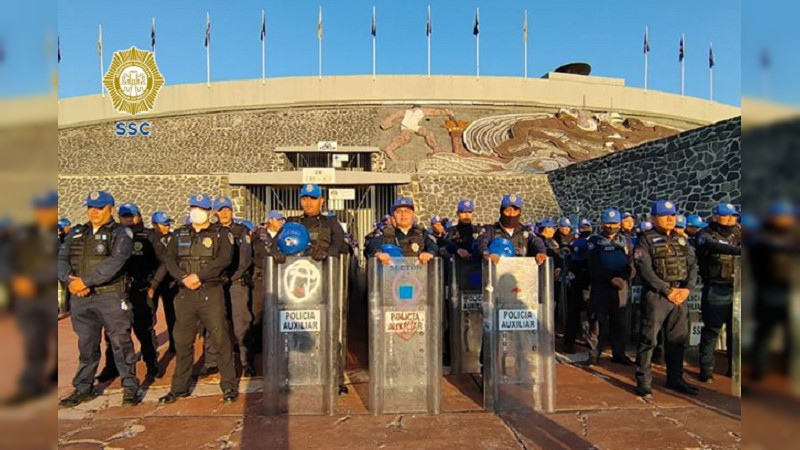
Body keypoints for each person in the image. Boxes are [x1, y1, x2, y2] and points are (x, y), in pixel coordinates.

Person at [58, 191, 142, 408]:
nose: (94, 211)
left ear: (110, 209)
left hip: (110, 296)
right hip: (82, 299)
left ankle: (130, 387)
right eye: (90, 207)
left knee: (120, 343)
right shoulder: (77, 232)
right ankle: (83, 387)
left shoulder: (121, 233)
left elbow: (116, 262)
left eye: (99, 207)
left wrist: (85, 281)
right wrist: (70, 281)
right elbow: (60, 258)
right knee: (86, 344)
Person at [158, 194, 238, 405]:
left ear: (210, 212)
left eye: (201, 207)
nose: (196, 210)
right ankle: (179, 388)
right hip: (185, 293)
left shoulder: (222, 234)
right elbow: (169, 259)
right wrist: (183, 277)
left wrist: (198, 276)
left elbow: (224, 260)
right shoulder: (179, 234)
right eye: (193, 206)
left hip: (210, 291)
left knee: (220, 340)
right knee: (182, 342)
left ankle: (229, 387)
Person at [634, 200, 700, 398]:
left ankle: (675, 378)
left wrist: (687, 289)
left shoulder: (682, 240)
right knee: (649, 338)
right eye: (664, 215)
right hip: (657, 295)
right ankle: (644, 381)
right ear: (654, 218)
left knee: (677, 340)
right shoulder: (645, 240)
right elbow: (644, 268)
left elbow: (693, 266)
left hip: (680, 296)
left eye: (672, 215)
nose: (670, 219)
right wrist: (666, 290)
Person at [96, 203, 160, 383]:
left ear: (139, 216)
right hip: (117, 292)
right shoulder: (113, 236)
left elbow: (162, 262)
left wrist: (153, 285)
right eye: (124, 216)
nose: (129, 219)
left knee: (144, 330)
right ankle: (111, 367)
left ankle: (152, 365)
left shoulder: (149, 236)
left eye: (132, 215)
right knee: (112, 334)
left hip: (140, 290)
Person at [6, 191, 59, 404]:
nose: (43, 214)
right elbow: (5, 257)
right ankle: (31, 385)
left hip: (48, 295)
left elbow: (62, 262)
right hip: (27, 299)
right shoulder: (23, 233)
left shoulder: (64, 234)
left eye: (48, 209)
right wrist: (14, 278)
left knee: (57, 339)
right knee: (33, 341)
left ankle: (55, 374)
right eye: (40, 209)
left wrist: (34, 280)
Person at [694, 203, 742, 382]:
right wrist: (738, 250)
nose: (731, 219)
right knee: (712, 331)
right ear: (715, 216)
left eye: (733, 216)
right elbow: (712, 246)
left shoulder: (737, 233)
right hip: (715, 288)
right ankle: (706, 370)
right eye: (727, 216)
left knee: (736, 331)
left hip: (736, 288)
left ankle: (734, 369)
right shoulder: (705, 234)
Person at [586, 208, 635, 366]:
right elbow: (593, 264)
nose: (611, 226)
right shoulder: (594, 241)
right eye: (608, 223)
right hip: (601, 286)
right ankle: (594, 354)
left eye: (614, 223)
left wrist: (623, 277)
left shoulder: (626, 240)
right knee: (597, 322)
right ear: (602, 224)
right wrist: (610, 278)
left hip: (621, 287)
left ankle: (619, 353)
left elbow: (631, 263)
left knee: (619, 321)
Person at [214, 196, 255, 377]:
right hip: (216, 284)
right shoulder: (211, 232)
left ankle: (247, 363)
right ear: (215, 212)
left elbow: (245, 260)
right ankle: (214, 362)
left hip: (236, 283)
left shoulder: (241, 230)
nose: (224, 213)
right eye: (221, 209)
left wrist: (230, 277)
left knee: (241, 325)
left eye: (227, 209)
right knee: (218, 325)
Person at [273, 184, 344, 263]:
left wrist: (328, 254)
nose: (308, 202)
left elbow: (339, 243)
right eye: (304, 199)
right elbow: (276, 241)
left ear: (321, 201)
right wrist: (276, 252)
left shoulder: (330, 222)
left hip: (322, 270)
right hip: (292, 269)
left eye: (313, 198)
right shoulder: (292, 222)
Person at [475, 194, 547, 266]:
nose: (511, 214)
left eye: (515, 211)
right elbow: (481, 242)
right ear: (501, 211)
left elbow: (536, 241)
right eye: (508, 210)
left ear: (519, 212)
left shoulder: (525, 231)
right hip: (495, 271)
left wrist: (541, 252)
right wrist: (487, 254)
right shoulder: (490, 230)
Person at [367, 197, 437, 264]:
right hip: (392, 274)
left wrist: (429, 253)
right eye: (399, 212)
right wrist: (378, 253)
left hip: (418, 274)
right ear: (393, 215)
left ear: (413, 214)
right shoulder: (385, 233)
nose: (403, 215)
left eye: (407, 211)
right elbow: (373, 243)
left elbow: (433, 245)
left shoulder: (422, 233)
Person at [148, 211, 178, 354]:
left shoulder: (173, 238)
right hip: (152, 283)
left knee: (172, 315)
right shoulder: (150, 238)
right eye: (163, 225)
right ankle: (151, 347)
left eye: (168, 224)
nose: (166, 227)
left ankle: (174, 344)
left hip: (170, 282)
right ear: (154, 224)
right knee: (149, 316)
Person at [562, 219, 593, 354]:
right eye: (583, 227)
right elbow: (568, 260)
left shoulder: (594, 242)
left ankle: (590, 341)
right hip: (575, 281)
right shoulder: (574, 243)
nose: (585, 229)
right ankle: (569, 342)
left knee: (591, 313)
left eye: (587, 226)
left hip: (590, 281)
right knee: (574, 313)